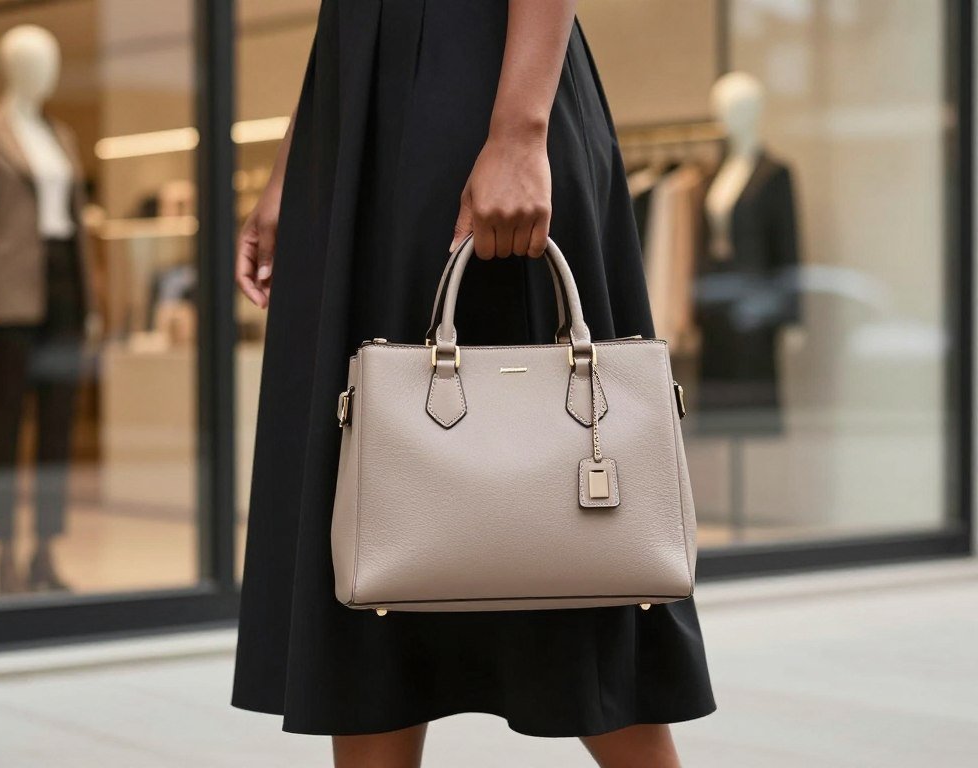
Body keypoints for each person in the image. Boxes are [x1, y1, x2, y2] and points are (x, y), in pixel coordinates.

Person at [232, 2, 715, 765]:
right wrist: (293, 170)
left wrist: (520, 132)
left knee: (559, 508)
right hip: (357, 112)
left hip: (490, 79)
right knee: (368, 499)